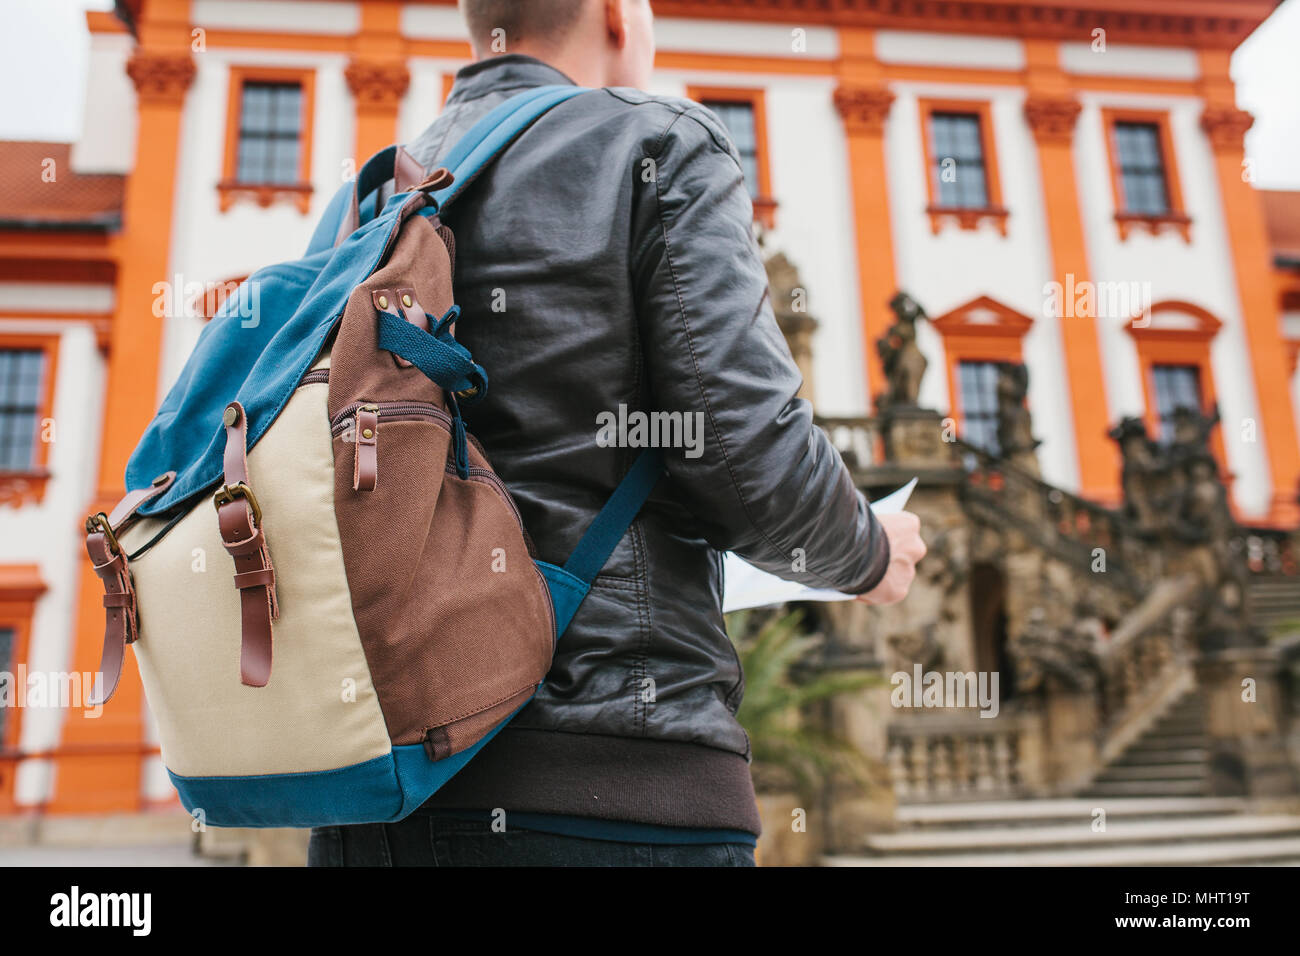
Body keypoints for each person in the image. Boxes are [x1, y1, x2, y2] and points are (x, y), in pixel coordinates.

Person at [307, 0, 927, 867]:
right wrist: (868, 549)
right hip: (611, 782)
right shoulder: (658, 140)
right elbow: (746, 449)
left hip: (375, 797)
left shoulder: (367, 199)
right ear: (614, 13)